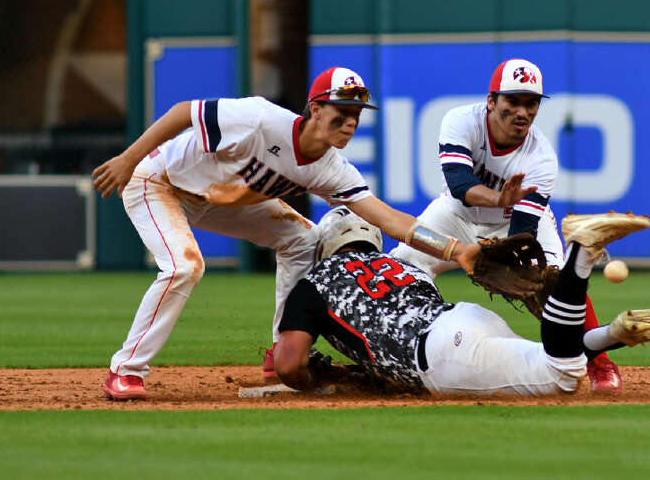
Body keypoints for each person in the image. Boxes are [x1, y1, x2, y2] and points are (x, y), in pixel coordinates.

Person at [92, 67, 492, 400]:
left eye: (356, 114)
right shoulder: (261, 120)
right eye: (342, 111)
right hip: (158, 181)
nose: (350, 121)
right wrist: (129, 159)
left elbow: (390, 221)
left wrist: (456, 250)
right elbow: (183, 112)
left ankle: (280, 350)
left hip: (220, 199)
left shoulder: (332, 168)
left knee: (303, 238)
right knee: (185, 266)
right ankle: (125, 371)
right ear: (315, 110)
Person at [274, 208, 650, 396]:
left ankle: (581, 255)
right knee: (550, 355)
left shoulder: (313, 283)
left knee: (562, 376)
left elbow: (290, 365)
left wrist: (313, 380)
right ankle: (615, 334)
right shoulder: (399, 266)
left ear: (326, 248)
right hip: (464, 320)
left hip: (441, 358)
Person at [389, 58, 624, 392]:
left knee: (558, 289)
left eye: (531, 104)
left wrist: (510, 263)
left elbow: (522, 234)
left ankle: (600, 361)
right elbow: (460, 186)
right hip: (456, 215)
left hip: (518, 225)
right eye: (512, 101)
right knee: (400, 269)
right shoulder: (460, 121)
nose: (522, 111)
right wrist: (499, 199)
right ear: (491, 101)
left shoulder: (541, 158)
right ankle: (391, 353)